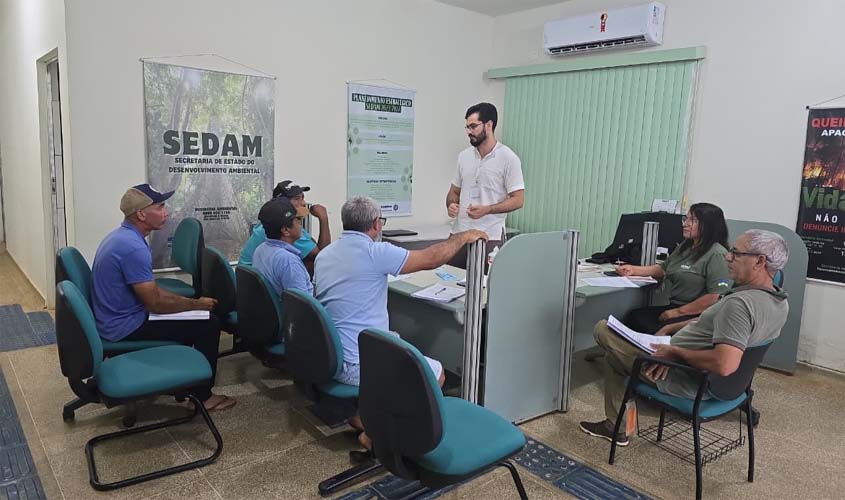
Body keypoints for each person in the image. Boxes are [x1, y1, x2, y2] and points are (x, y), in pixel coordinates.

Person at [579, 229, 789, 446]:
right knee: (617, 357)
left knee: (603, 329)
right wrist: (673, 327)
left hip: (685, 377)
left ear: (759, 261)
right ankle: (616, 427)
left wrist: (674, 352)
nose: (729, 257)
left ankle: (617, 427)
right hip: (727, 386)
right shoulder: (777, 301)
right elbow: (716, 326)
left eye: (736, 253)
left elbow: (725, 364)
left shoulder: (739, 305)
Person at [314, 196, 487, 448]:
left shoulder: (325, 254)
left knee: (397, 343)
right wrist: (462, 237)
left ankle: (367, 415)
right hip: (356, 364)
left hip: (332, 355)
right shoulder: (375, 252)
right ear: (375, 224)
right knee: (436, 375)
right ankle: (380, 432)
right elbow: (431, 258)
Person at [90, 184, 234, 411]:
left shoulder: (123, 236)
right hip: (125, 326)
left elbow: (152, 290)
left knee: (193, 316)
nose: (166, 211)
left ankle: (183, 377)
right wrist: (196, 304)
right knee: (209, 323)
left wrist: (188, 306)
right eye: (160, 206)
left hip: (116, 317)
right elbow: (154, 302)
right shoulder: (133, 247)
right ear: (141, 213)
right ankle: (203, 396)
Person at [617, 203, 732, 335]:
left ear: (709, 225)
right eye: (686, 219)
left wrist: (677, 312)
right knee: (633, 317)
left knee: (645, 326)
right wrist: (633, 270)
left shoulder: (717, 254)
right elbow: (664, 268)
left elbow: (715, 297)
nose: (685, 224)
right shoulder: (686, 246)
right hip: (675, 306)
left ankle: (642, 354)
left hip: (695, 314)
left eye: (692, 220)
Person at [446, 102, 525, 268]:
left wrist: (488, 209)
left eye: (473, 126)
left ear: (489, 125)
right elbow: (453, 192)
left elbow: (518, 200)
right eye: (467, 127)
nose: (469, 132)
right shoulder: (464, 157)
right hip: (459, 234)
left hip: (489, 236)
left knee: (484, 287)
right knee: (450, 281)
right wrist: (451, 204)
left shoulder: (508, 158)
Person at [239, 180, 330, 273]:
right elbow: (322, 257)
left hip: (252, 279)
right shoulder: (284, 227)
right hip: (259, 283)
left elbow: (312, 244)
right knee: (311, 262)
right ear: (282, 203)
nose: (303, 203)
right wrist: (323, 218)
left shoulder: (276, 220)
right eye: (297, 199)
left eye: (302, 198)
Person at [252, 196, 314, 299]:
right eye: (297, 220)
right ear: (285, 230)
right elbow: (303, 308)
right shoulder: (288, 261)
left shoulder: (260, 249)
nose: (300, 224)